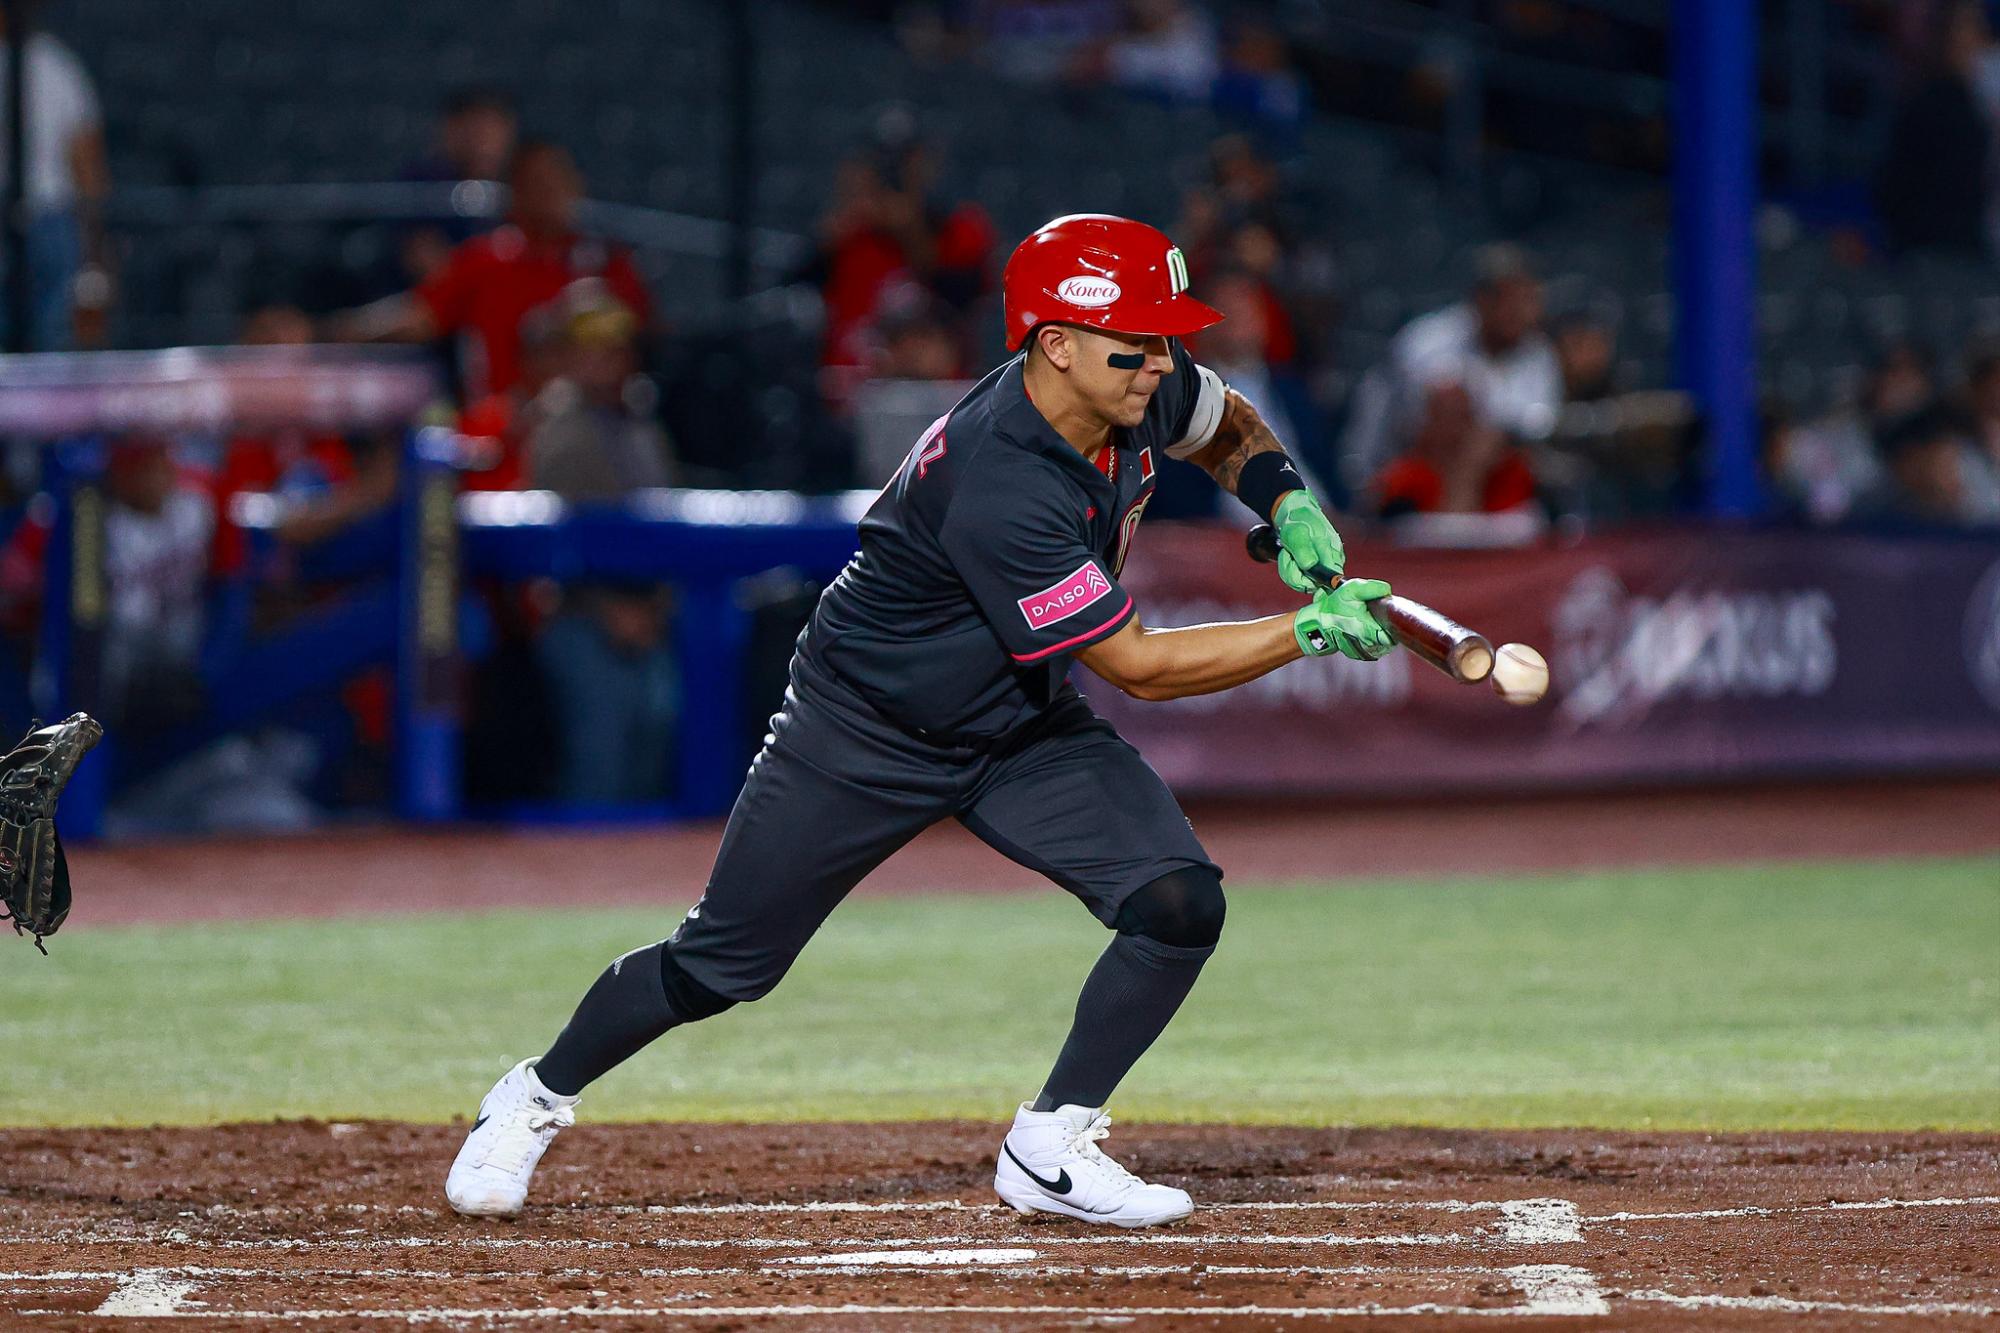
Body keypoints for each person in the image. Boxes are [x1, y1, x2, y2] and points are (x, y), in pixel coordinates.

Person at [444, 214, 1395, 1227]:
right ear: (1055, 343)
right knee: (721, 966)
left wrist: (1285, 502)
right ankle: (532, 1095)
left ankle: (1049, 1143)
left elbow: (1222, 418)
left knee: (1177, 902)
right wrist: (1303, 631)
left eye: (1162, 338)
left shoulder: (1122, 383)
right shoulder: (1003, 479)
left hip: (1017, 721)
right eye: (1137, 341)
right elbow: (1141, 669)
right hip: (863, 729)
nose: (1160, 361)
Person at [329, 139, 654, 404]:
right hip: (500, 432)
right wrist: (331, 330)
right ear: (515, 194)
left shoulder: (609, 265)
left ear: (576, 187)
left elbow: (641, 341)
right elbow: (417, 317)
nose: (550, 195)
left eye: (558, 182)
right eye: (537, 183)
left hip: (591, 429)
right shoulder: (485, 260)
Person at [1339, 243, 1561, 501]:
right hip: (1400, 471)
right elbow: (1420, 423)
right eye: (1511, 300)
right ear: (1482, 299)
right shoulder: (1428, 339)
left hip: (1493, 482)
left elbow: (1537, 428)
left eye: (1530, 300)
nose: (1522, 312)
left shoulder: (1539, 354)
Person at [0, 7, 110, 351]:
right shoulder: (59, 65)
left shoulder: (56, 66)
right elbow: (88, 166)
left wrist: (94, 256)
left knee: (51, 338)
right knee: (48, 340)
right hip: (44, 221)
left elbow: (86, 163)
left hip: (50, 219)